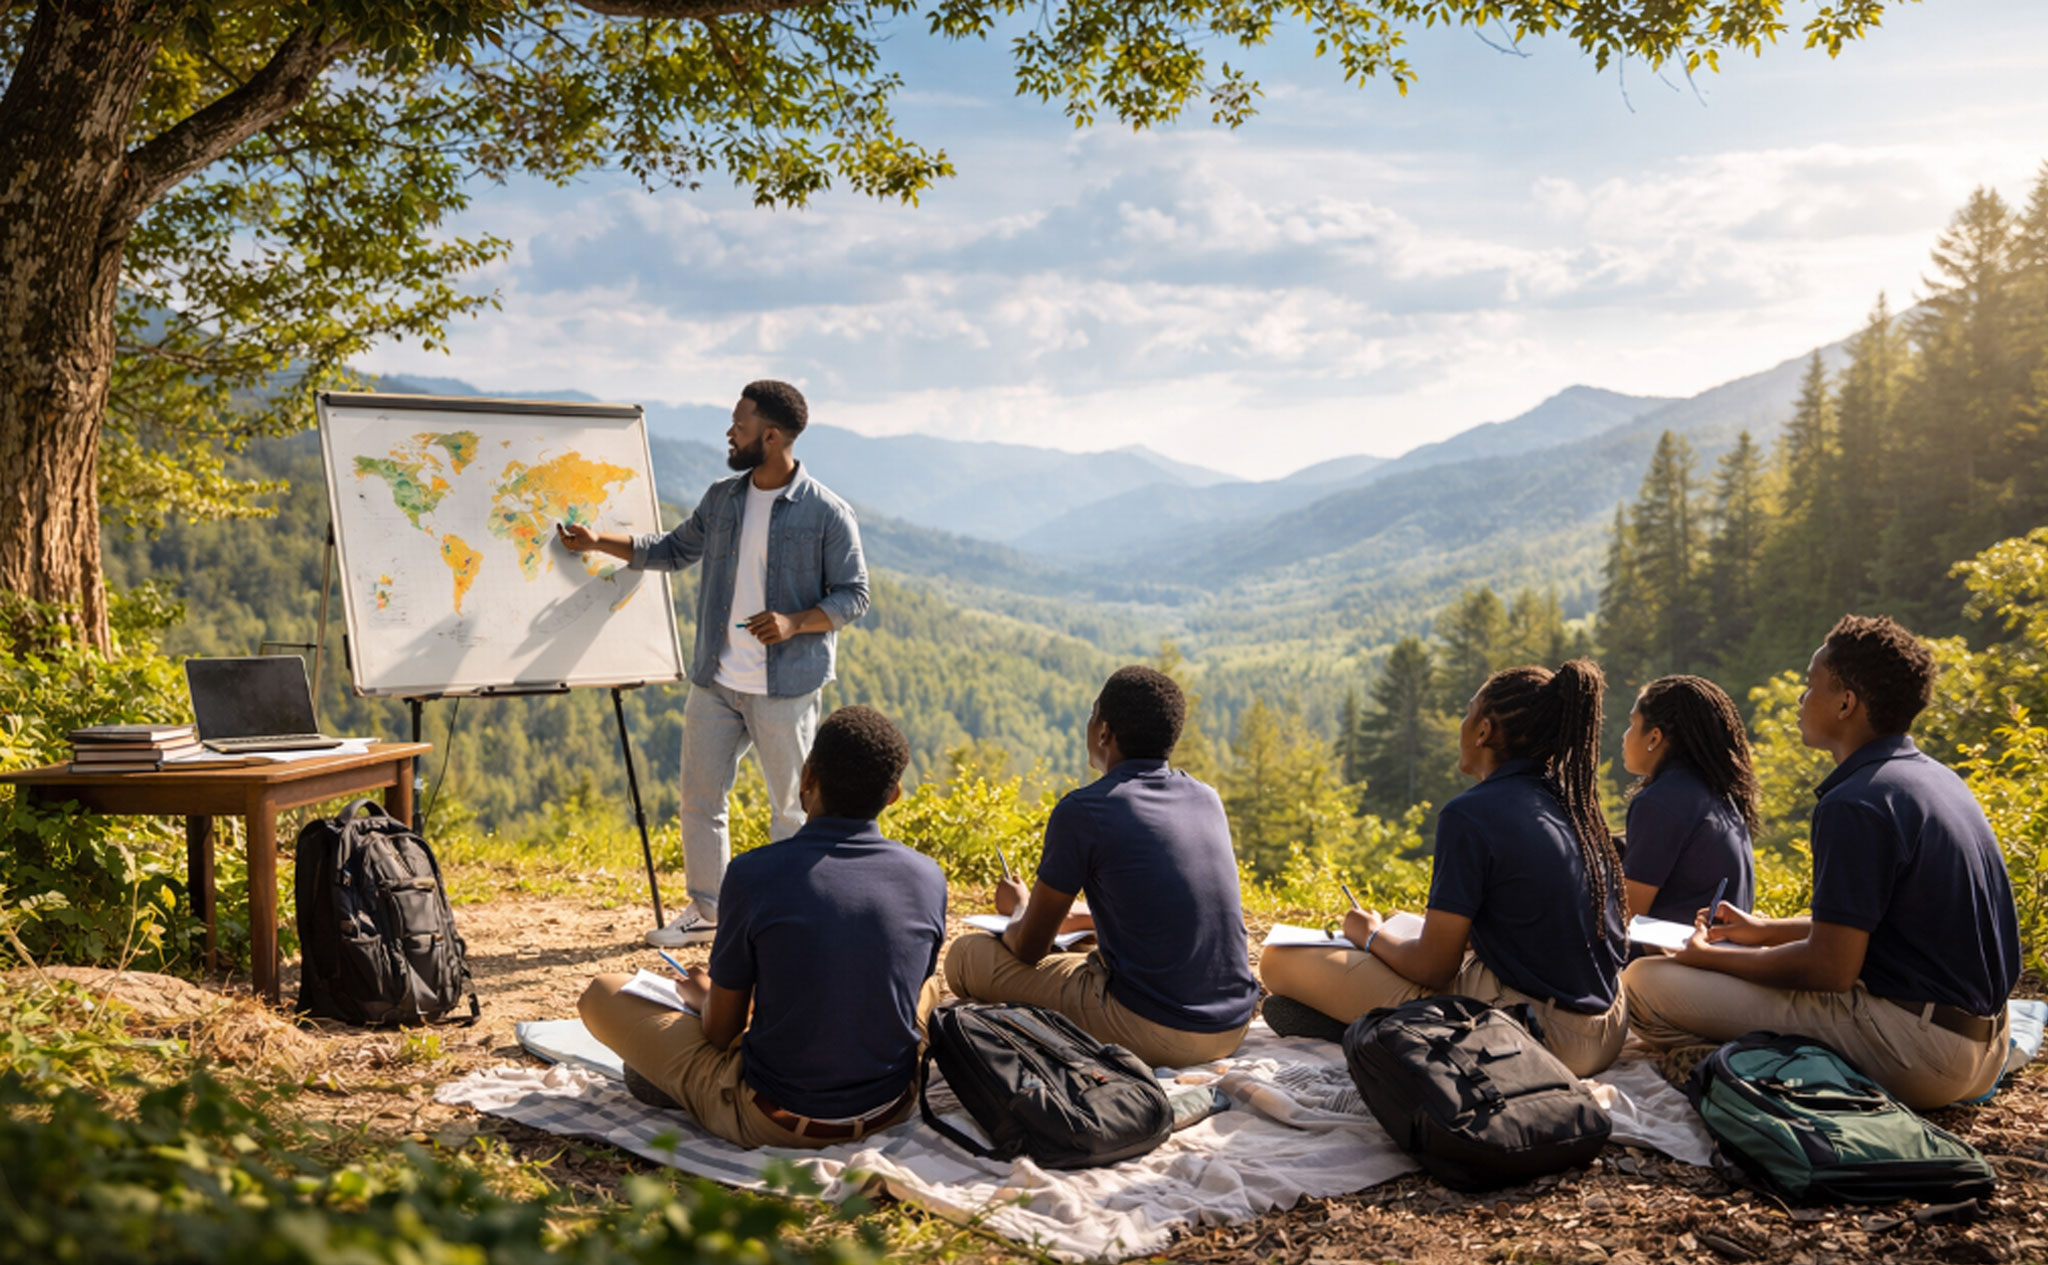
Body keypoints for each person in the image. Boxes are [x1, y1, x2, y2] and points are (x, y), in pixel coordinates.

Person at [1624, 616, 2020, 1108]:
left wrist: (1709, 956)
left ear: (1845, 703)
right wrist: (1762, 932)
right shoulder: (1934, 779)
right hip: (1986, 1047)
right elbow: (1876, 925)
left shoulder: (1855, 802)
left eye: (1811, 687)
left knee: (1645, 982)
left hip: (1922, 1054)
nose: (1801, 700)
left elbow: (1829, 969)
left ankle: (1740, 1069)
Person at [560, 380, 869, 947]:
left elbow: (854, 595)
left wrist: (795, 621)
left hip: (787, 686)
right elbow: (673, 549)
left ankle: (785, 919)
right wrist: (598, 540)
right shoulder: (723, 498)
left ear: (771, 436)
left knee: (791, 808)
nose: (730, 433)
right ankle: (709, 912)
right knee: (700, 799)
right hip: (717, 681)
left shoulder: (826, 512)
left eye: (740, 424)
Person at [578, 705, 945, 1148]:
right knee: (928, 989)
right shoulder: (927, 876)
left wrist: (705, 995)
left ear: (807, 778)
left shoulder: (756, 873)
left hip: (775, 1119)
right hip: (890, 1109)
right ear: (893, 796)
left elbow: (720, 1033)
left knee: (602, 992)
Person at [1260, 660, 1630, 1077]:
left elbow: (1434, 969)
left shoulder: (1472, 813)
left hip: (1539, 1039)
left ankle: (1373, 1030)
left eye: (1467, 712)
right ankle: (1369, 1025)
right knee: (1407, 923)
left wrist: (1370, 935)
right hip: (1609, 1029)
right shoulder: (1575, 805)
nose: (1463, 723)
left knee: (1278, 959)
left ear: (1484, 730)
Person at [944, 666, 1260, 1068]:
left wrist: (1021, 906)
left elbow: (1028, 948)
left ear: (1104, 731)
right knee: (1081, 947)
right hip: (1233, 1025)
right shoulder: (1206, 798)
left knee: (966, 954)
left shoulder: (1085, 809)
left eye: (1093, 716)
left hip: (1158, 1029)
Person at [1619, 674, 1759, 924]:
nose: (1625, 736)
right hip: (1723, 956)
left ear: (1654, 737)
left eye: (1632, 724)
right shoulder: (1721, 795)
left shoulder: (1661, 801)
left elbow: (1625, 918)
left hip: (1680, 959)